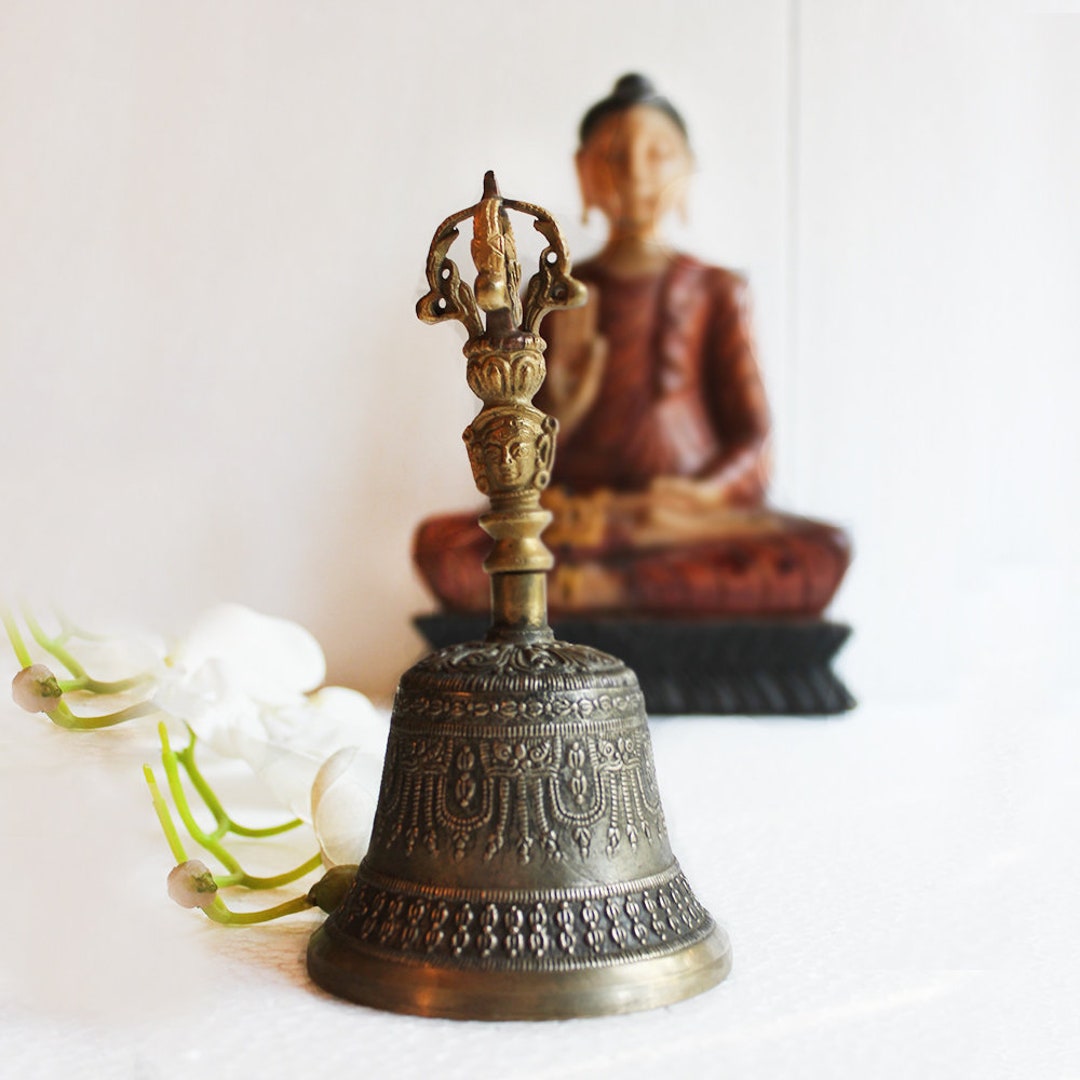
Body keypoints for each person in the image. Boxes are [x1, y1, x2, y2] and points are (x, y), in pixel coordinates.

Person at [414, 74, 850, 618]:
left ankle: (585, 595)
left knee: (822, 552)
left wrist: (699, 497)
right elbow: (520, 446)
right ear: (584, 173)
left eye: (659, 154)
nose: (637, 175)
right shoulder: (553, 298)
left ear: (688, 170)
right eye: (615, 157)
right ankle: (617, 590)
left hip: (681, 522)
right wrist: (564, 413)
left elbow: (753, 437)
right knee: (444, 547)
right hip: (580, 519)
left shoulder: (718, 291)